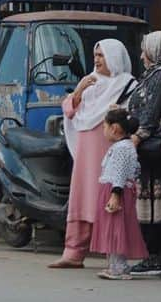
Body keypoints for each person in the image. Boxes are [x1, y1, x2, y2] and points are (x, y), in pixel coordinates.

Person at [50, 37, 136, 269]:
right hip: (86, 154)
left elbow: (132, 117)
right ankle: (73, 252)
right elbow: (70, 110)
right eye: (96, 55)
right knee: (82, 197)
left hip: (110, 153)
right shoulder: (90, 83)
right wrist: (78, 90)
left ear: (115, 58)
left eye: (102, 55)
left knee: (109, 195)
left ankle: (113, 255)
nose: (97, 60)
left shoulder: (127, 85)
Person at [124, 31, 161, 278]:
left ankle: (158, 256)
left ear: (156, 52)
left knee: (158, 205)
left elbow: (150, 112)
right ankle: (159, 255)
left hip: (155, 150)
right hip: (160, 150)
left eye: (145, 50)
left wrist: (136, 138)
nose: (141, 56)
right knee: (160, 204)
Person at [92, 108, 149, 280]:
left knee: (116, 228)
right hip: (114, 188)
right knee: (113, 227)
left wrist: (116, 193)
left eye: (105, 126)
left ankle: (118, 267)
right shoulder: (124, 146)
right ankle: (115, 265)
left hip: (116, 191)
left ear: (114, 128)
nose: (104, 130)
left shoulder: (122, 148)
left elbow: (120, 172)